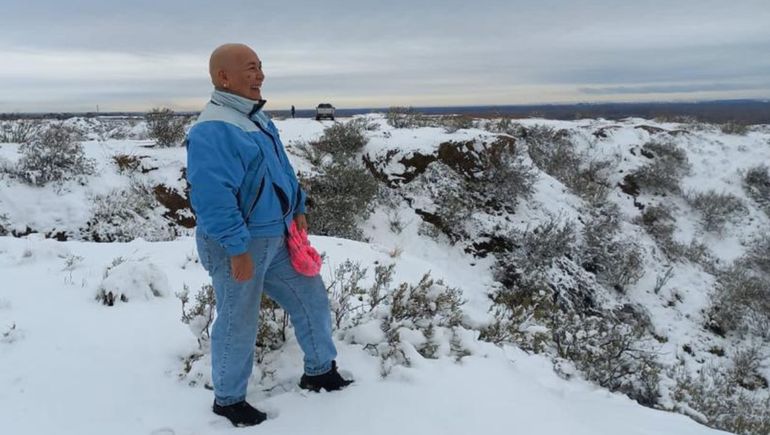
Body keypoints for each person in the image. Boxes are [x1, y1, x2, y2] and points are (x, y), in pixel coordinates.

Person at [186, 43, 352, 427]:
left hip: (276, 235)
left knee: (310, 296)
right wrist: (236, 248)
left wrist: (298, 207)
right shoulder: (214, 128)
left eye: (260, 66)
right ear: (224, 77)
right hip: (239, 243)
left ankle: (320, 371)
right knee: (238, 319)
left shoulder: (255, 118)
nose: (260, 75)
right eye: (250, 68)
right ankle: (228, 401)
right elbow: (212, 198)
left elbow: (280, 170)